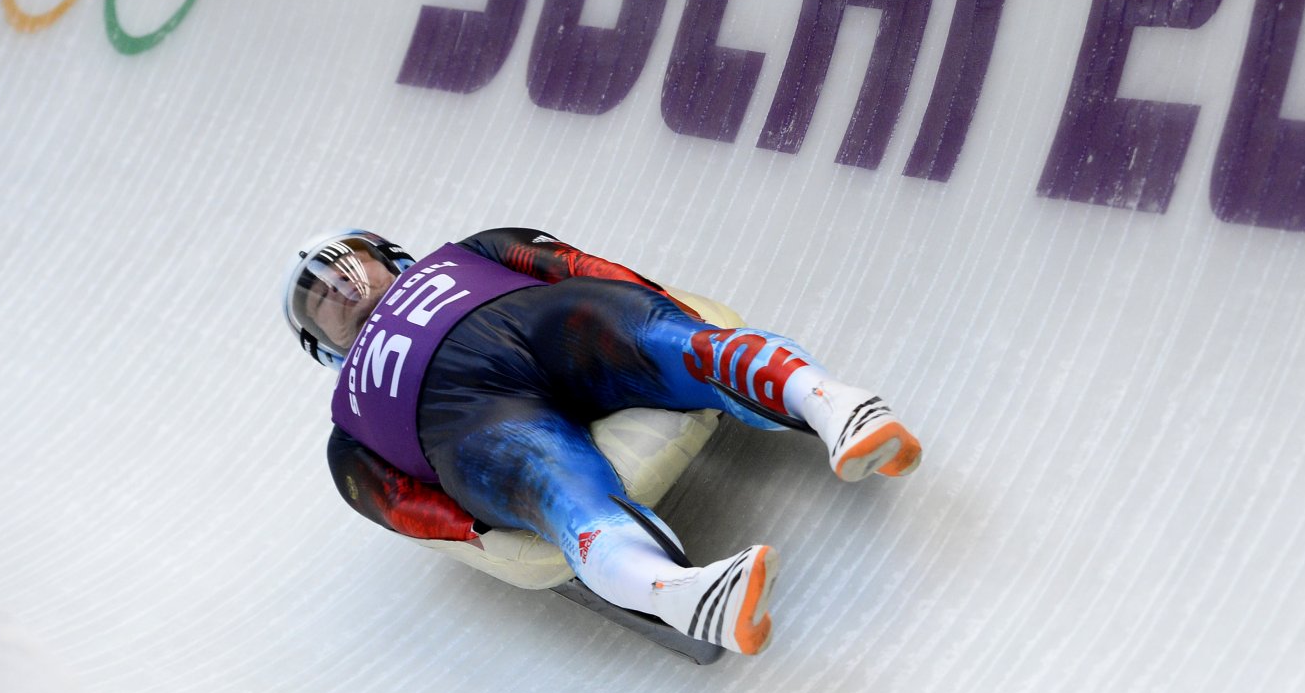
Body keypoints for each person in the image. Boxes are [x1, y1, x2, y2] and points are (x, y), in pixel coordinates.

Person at [283, 227, 921, 656]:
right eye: (321, 301)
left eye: (343, 269)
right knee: (557, 491)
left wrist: (660, 306)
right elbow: (405, 509)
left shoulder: (470, 251)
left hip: (539, 329)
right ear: (322, 346)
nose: (339, 290)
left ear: (386, 255)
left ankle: (837, 408)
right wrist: (482, 528)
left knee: (662, 340)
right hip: (472, 423)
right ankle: (684, 595)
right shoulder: (349, 435)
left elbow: (572, 266)